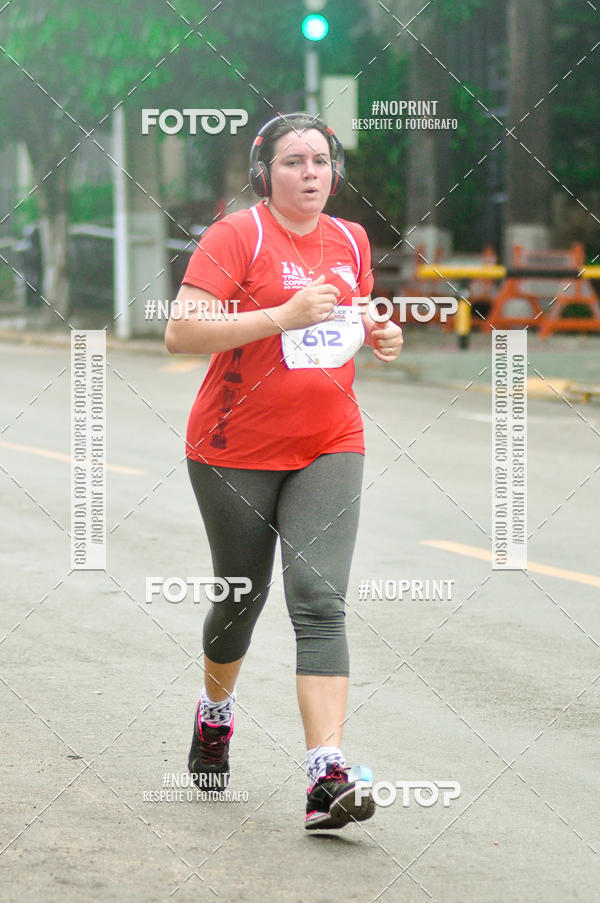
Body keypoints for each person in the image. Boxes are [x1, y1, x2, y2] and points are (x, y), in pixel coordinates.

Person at [165, 112, 404, 829]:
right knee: (241, 596)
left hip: (331, 438)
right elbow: (181, 330)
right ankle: (214, 715)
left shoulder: (351, 239)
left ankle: (325, 775)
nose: (311, 174)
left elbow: (349, 319)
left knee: (320, 598)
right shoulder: (240, 234)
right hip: (232, 445)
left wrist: (379, 330)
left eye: (322, 162)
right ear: (265, 170)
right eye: (294, 161)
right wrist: (281, 315)